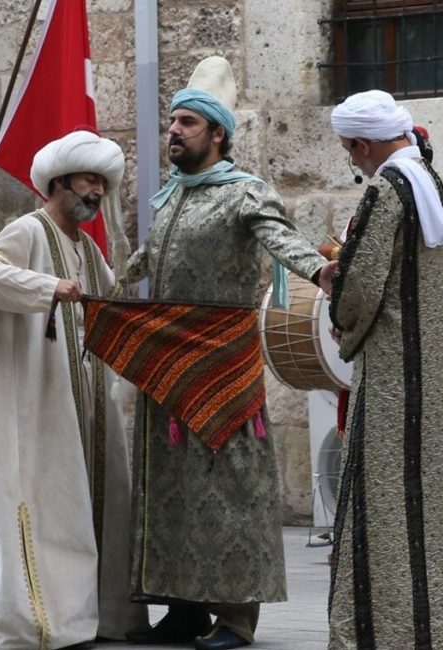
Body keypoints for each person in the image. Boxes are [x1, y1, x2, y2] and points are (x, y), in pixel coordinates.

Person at [121, 56, 332, 650]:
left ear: (218, 133)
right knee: (175, 490)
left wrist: (321, 270)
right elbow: (143, 263)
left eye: (187, 122)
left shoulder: (245, 193)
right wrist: (101, 287)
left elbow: (281, 236)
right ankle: (185, 610)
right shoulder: (168, 199)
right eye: (172, 122)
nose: (174, 131)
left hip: (220, 365)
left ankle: (235, 618)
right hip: (167, 365)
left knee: (229, 490)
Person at [0, 130, 148, 649]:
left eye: (101, 183)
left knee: (96, 499)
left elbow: (110, 303)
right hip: (38, 398)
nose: (96, 191)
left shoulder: (88, 248)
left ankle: (104, 616)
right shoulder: (28, 231)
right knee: (48, 504)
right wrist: (48, 288)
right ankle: (43, 621)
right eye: (89, 179)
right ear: (59, 181)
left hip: (89, 399)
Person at [326, 90, 443, 650]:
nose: (354, 161)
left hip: (391, 379)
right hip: (442, 378)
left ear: (363, 143)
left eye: (350, 151)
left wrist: (343, 326)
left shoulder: (386, 191)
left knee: (380, 509)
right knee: (433, 510)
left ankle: (384, 636)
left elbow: (359, 284)